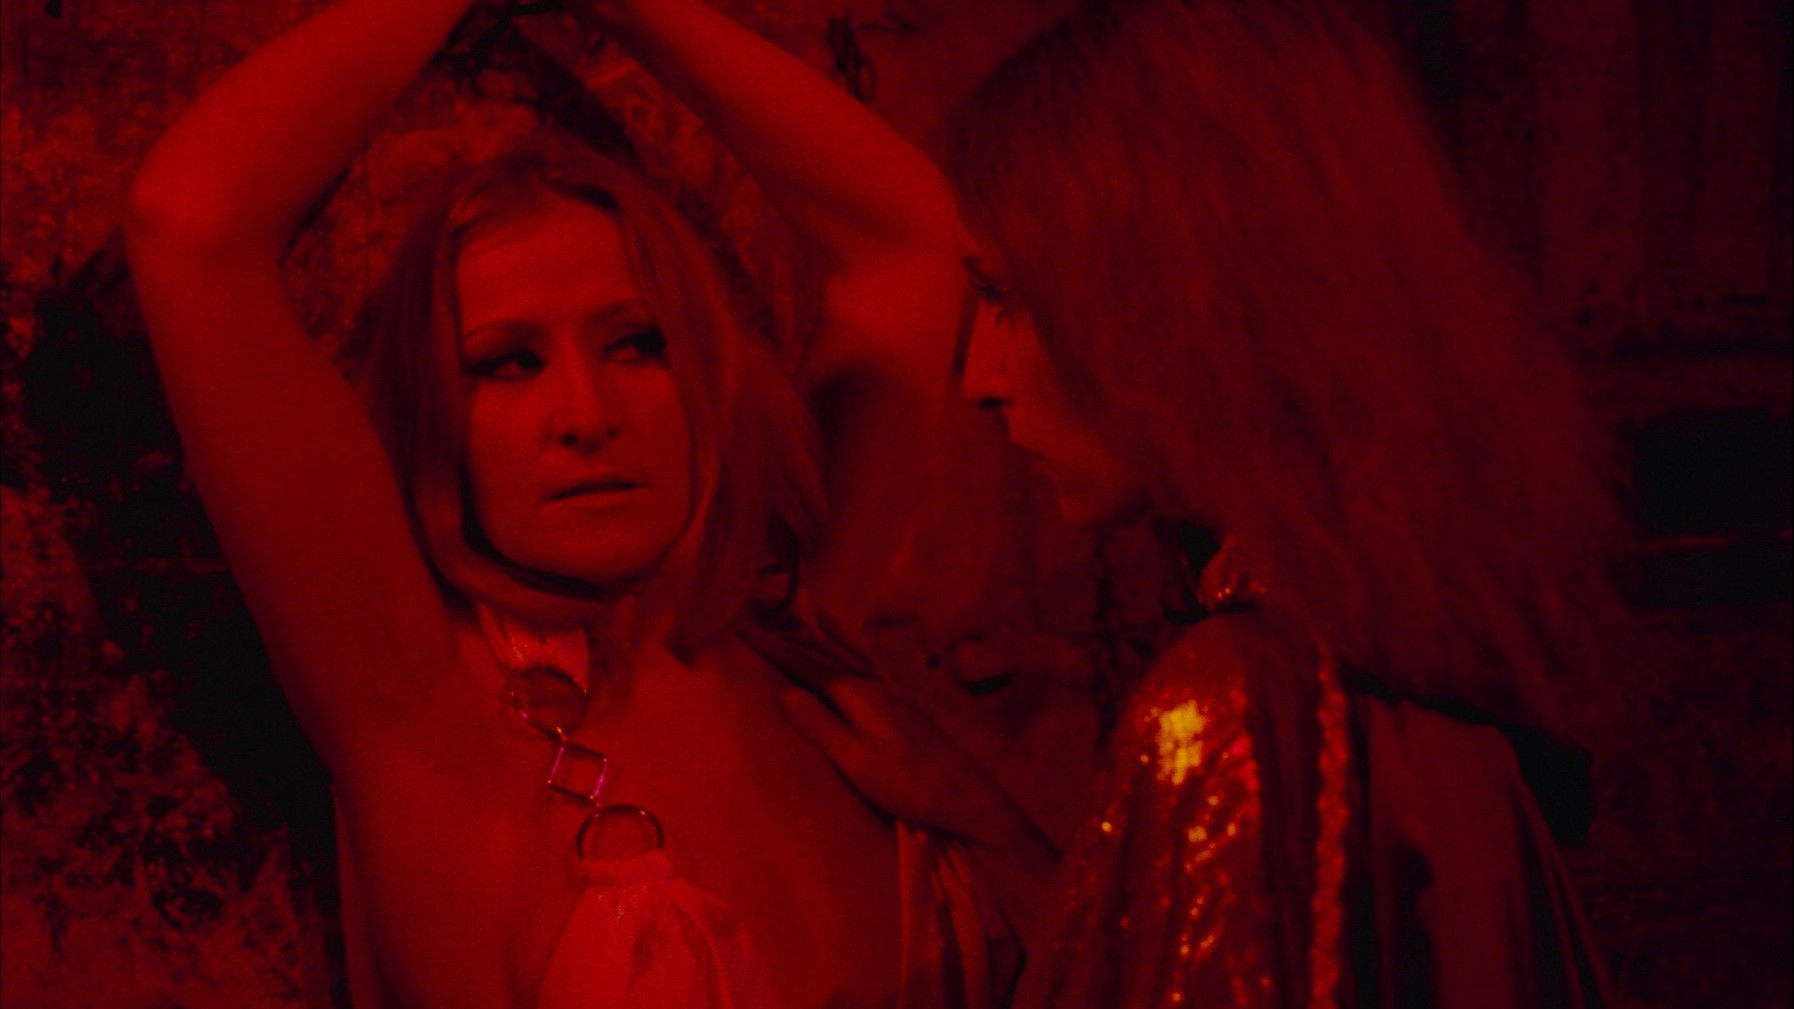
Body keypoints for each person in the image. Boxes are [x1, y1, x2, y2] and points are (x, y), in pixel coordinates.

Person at [124, 0, 1034, 1005]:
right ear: (436, 418)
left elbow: (912, 237)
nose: (587, 416)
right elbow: (191, 224)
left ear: (702, 374)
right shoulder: (426, 703)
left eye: (636, 344)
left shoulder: (795, 620)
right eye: (508, 363)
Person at [782, 1, 1623, 1006]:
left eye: (1010, 298)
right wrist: (993, 826)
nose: (981, 376)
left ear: (1170, 302)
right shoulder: (1398, 654)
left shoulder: (1233, 705)